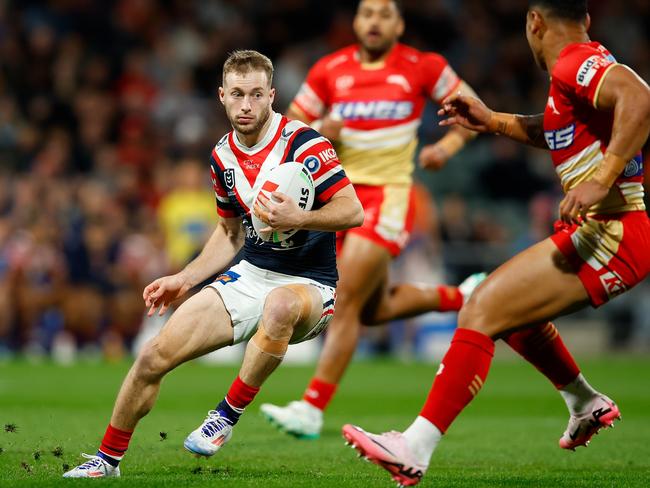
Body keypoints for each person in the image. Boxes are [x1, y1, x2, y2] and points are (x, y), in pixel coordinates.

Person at [342, 1, 650, 485]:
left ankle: (415, 447)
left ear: (534, 22)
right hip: (604, 231)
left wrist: (601, 178)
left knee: (482, 307)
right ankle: (584, 401)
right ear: (585, 19)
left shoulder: (573, 62)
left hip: (613, 230)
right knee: (514, 315)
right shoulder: (575, 73)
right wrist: (493, 120)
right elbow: (559, 131)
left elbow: (639, 96)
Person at [62, 49, 363, 478]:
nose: (246, 105)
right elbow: (228, 235)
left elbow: (353, 211)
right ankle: (107, 460)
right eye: (237, 94)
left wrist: (302, 217)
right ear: (221, 96)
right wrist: (183, 278)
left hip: (310, 285)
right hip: (251, 274)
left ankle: (224, 415)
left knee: (278, 305)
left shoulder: (305, 144)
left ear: (272, 95)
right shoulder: (222, 156)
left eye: (256, 95)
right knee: (152, 357)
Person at [260, 0, 487, 440]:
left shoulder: (424, 66)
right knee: (373, 308)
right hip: (337, 199)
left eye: (385, 13)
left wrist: (446, 149)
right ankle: (465, 294)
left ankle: (311, 408)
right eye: (367, 12)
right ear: (356, 21)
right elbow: (288, 128)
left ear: (400, 23)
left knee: (342, 300)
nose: (375, 21)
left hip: (388, 197)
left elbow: (475, 110)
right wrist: (323, 126)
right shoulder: (330, 69)